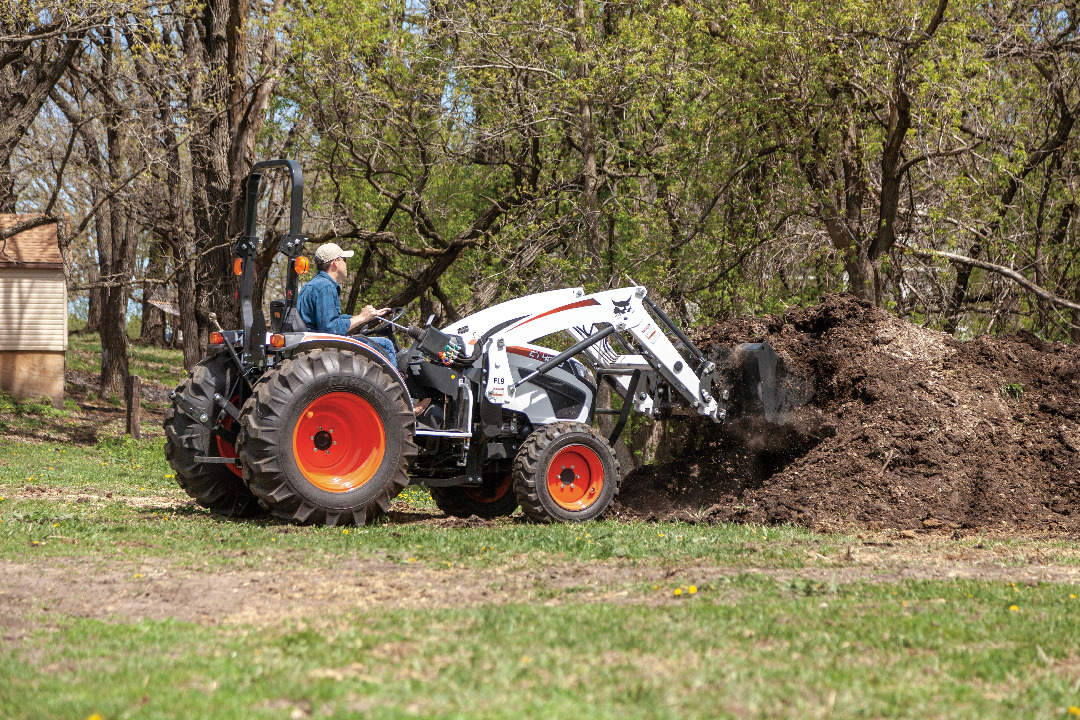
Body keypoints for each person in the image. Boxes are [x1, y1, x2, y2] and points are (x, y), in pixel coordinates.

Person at [296, 242, 397, 368]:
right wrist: (362, 318)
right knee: (385, 345)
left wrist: (369, 316)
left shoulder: (313, 284)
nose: (346, 264)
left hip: (312, 343)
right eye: (344, 260)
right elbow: (331, 329)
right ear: (335, 262)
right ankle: (396, 387)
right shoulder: (325, 287)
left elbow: (331, 319)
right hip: (321, 347)